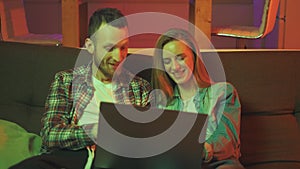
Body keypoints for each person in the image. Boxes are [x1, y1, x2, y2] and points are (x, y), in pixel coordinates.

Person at [10, 8, 152, 169]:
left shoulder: (139, 88)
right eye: (110, 48)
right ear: (90, 46)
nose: (118, 57)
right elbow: (50, 135)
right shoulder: (66, 81)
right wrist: (93, 132)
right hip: (72, 158)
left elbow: (147, 140)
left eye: (123, 47)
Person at [151, 28, 245, 169]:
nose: (174, 67)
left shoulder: (223, 92)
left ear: (194, 56)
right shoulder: (161, 101)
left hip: (217, 164)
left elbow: (227, 141)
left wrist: (198, 150)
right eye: (167, 61)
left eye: (180, 58)